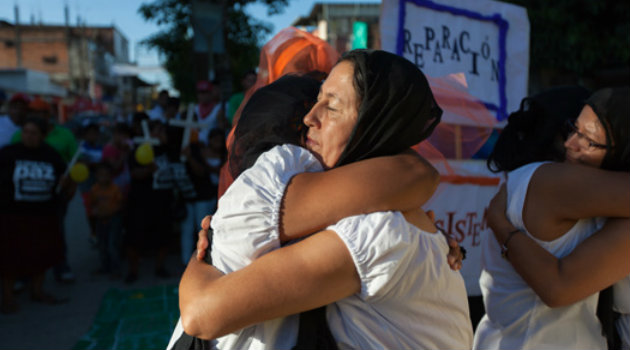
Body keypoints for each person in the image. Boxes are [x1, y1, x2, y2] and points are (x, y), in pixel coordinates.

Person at [170, 50, 472, 349]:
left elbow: (201, 315)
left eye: (333, 106)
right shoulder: (383, 210)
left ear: (374, 124)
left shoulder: (376, 231)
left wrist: (203, 254)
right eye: (318, 99)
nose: (309, 118)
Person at [473, 87, 630, 350]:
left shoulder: (529, 181)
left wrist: (502, 226)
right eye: (573, 129)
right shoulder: (554, 183)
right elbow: (558, 287)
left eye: (588, 140)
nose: (570, 143)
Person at [0, 117, 73, 313]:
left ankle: (37, 291)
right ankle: (7, 298)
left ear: (42, 135)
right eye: (25, 132)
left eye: (33, 133)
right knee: (10, 257)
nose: (28, 136)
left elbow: (66, 182)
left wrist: (66, 185)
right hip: (13, 215)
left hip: (43, 215)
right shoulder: (8, 153)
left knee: (41, 255)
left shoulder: (51, 155)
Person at [124, 121, 174, 283]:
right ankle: (133, 270)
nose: (160, 134)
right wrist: (148, 169)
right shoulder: (138, 151)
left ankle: (160, 267)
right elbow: (134, 173)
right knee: (135, 237)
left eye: (163, 131)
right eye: (157, 130)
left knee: (164, 236)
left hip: (163, 201)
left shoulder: (168, 150)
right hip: (141, 202)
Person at [89, 162, 124, 277]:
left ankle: (116, 268)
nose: (103, 178)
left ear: (111, 176)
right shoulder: (94, 189)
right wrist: (96, 212)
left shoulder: (115, 189)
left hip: (113, 220)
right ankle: (105, 267)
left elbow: (120, 204)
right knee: (102, 245)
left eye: (106, 175)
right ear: (96, 176)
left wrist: (110, 212)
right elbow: (93, 203)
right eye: (100, 175)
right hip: (100, 220)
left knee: (112, 244)